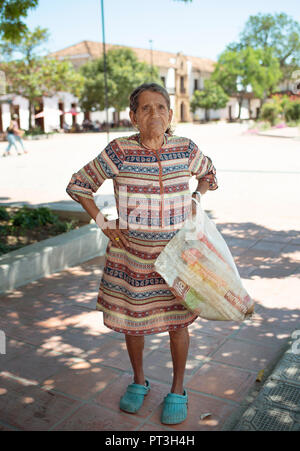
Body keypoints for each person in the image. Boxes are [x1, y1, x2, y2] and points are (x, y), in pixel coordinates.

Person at [66, 82, 218, 425]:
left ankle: (178, 389)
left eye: (161, 107)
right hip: (132, 258)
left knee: (178, 325)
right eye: (145, 108)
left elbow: (209, 173)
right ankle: (139, 381)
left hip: (178, 259)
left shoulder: (185, 148)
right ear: (133, 116)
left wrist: (196, 197)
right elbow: (79, 184)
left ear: (170, 114)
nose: (154, 114)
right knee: (133, 327)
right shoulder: (119, 151)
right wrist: (103, 222)